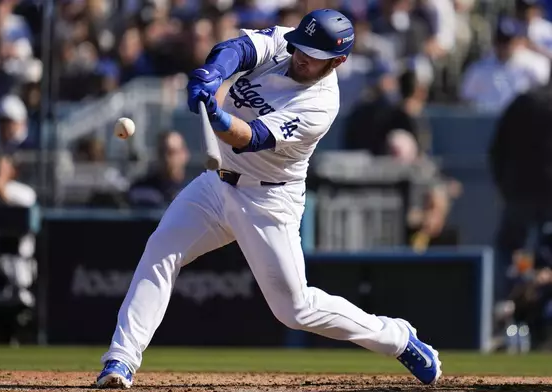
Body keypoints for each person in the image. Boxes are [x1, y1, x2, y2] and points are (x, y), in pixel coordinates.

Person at [96, 9, 442, 389]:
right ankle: (120, 360)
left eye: (314, 55)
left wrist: (216, 116)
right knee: (161, 250)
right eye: (300, 48)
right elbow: (238, 49)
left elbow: (250, 137)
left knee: (296, 310)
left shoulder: (320, 105)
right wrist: (213, 73)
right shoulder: (288, 43)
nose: (302, 56)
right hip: (215, 184)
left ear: (338, 62)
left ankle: (396, 337)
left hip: (267, 201)